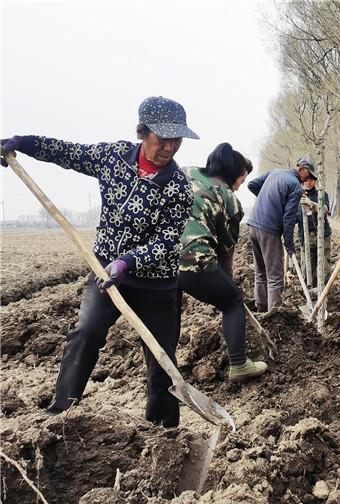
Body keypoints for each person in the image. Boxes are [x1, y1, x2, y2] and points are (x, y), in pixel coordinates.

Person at [0, 96, 198, 427]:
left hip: (155, 284)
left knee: (162, 359)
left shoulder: (178, 187)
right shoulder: (113, 157)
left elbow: (166, 241)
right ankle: (59, 413)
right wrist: (24, 143)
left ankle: (162, 430)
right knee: (86, 332)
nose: (169, 147)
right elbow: (68, 152)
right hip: (103, 271)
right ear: (142, 132)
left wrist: (129, 262)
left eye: (175, 140)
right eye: (162, 138)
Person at [178, 143, 267, 381]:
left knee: (169, 313)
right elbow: (225, 253)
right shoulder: (229, 199)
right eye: (241, 179)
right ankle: (239, 364)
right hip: (193, 259)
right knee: (233, 300)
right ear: (233, 175)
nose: (240, 186)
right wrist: (227, 286)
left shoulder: (186, 172)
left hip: (160, 259)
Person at [246, 156, 314, 312]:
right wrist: (289, 245)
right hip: (269, 230)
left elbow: (252, 185)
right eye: (308, 175)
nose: (307, 180)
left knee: (260, 272)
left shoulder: (275, 172)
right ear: (302, 169)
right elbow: (288, 219)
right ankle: (274, 316)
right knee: (275, 277)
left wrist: (268, 201)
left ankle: (261, 309)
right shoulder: (295, 186)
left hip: (253, 225)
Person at [296, 175, 332, 289]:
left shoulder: (322, 195)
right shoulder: (296, 196)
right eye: (305, 180)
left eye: (310, 180)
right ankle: (310, 291)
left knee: (324, 266)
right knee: (307, 268)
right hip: (305, 235)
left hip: (322, 234)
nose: (307, 182)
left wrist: (311, 204)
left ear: (315, 181)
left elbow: (325, 210)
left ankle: (324, 292)